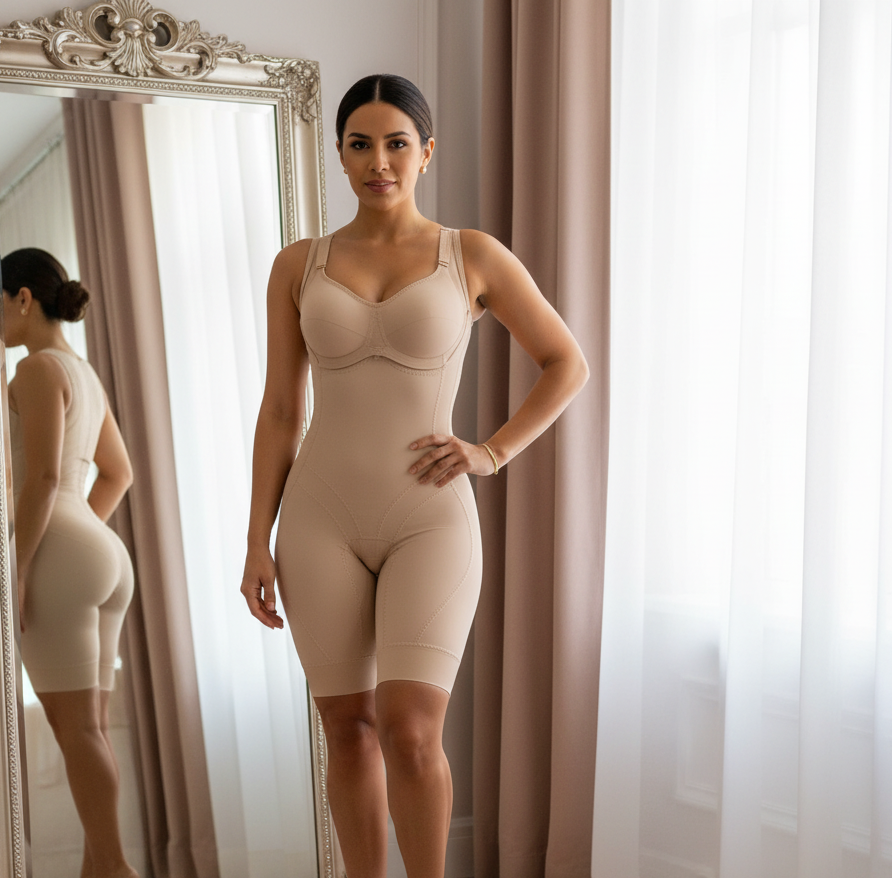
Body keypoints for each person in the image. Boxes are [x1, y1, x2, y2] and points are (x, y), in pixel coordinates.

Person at [240, 74, 588, 878]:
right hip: (318, 516)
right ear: (339, 154)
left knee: (409, 729)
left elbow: (566, 363)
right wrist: (257, 540)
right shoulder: (299, 265)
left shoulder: (470, 255)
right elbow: (281, 413)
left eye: (397, 142)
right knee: (347, 730)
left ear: (426, 153)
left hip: (429, 515)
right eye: (360, 143)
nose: (379, 161)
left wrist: (491, 450)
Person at [2, 248, 138, 878]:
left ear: (23, 298)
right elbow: (120, 473)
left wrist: (24, 566)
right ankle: (98, 868)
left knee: (77, 729)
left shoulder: (33, 372)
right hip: (101, 549)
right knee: (93, 729)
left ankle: (113, 867)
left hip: (60, 547)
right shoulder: (83, 372)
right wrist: (82, 539)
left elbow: (44, 477)